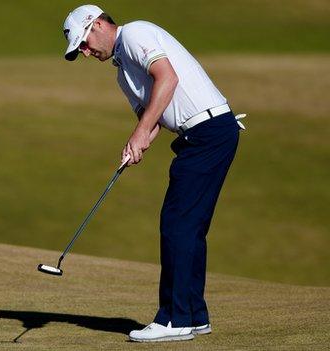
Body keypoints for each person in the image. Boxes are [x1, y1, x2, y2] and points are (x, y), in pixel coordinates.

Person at [62, 4, 245, 342]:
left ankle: (174, 320)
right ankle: (193, 315)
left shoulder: (135, 33)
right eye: (80, 51)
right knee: (188, 226)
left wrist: (139, 133)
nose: (86, 53)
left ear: (99, 24)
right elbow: (154, 114)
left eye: (84, 44)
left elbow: (168, 78)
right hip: (201, 136)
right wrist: (138, 143)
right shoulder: (122, 73)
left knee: (177, 223)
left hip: (209, 131)